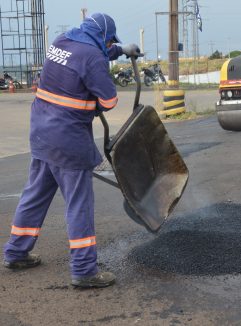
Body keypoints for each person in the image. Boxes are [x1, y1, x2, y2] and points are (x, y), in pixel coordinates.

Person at [2, 13, 141, 288]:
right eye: (111, 40)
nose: (111, 44)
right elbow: (109, 100)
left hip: (41, 133)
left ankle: (16, 252)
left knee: (35, 195)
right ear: (104, 36)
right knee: (79, 204)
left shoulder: (62, 41)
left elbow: (87, 54)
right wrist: (94, 103)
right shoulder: (93, 58)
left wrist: (120, 52)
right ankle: (84, 270)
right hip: (68, 140)